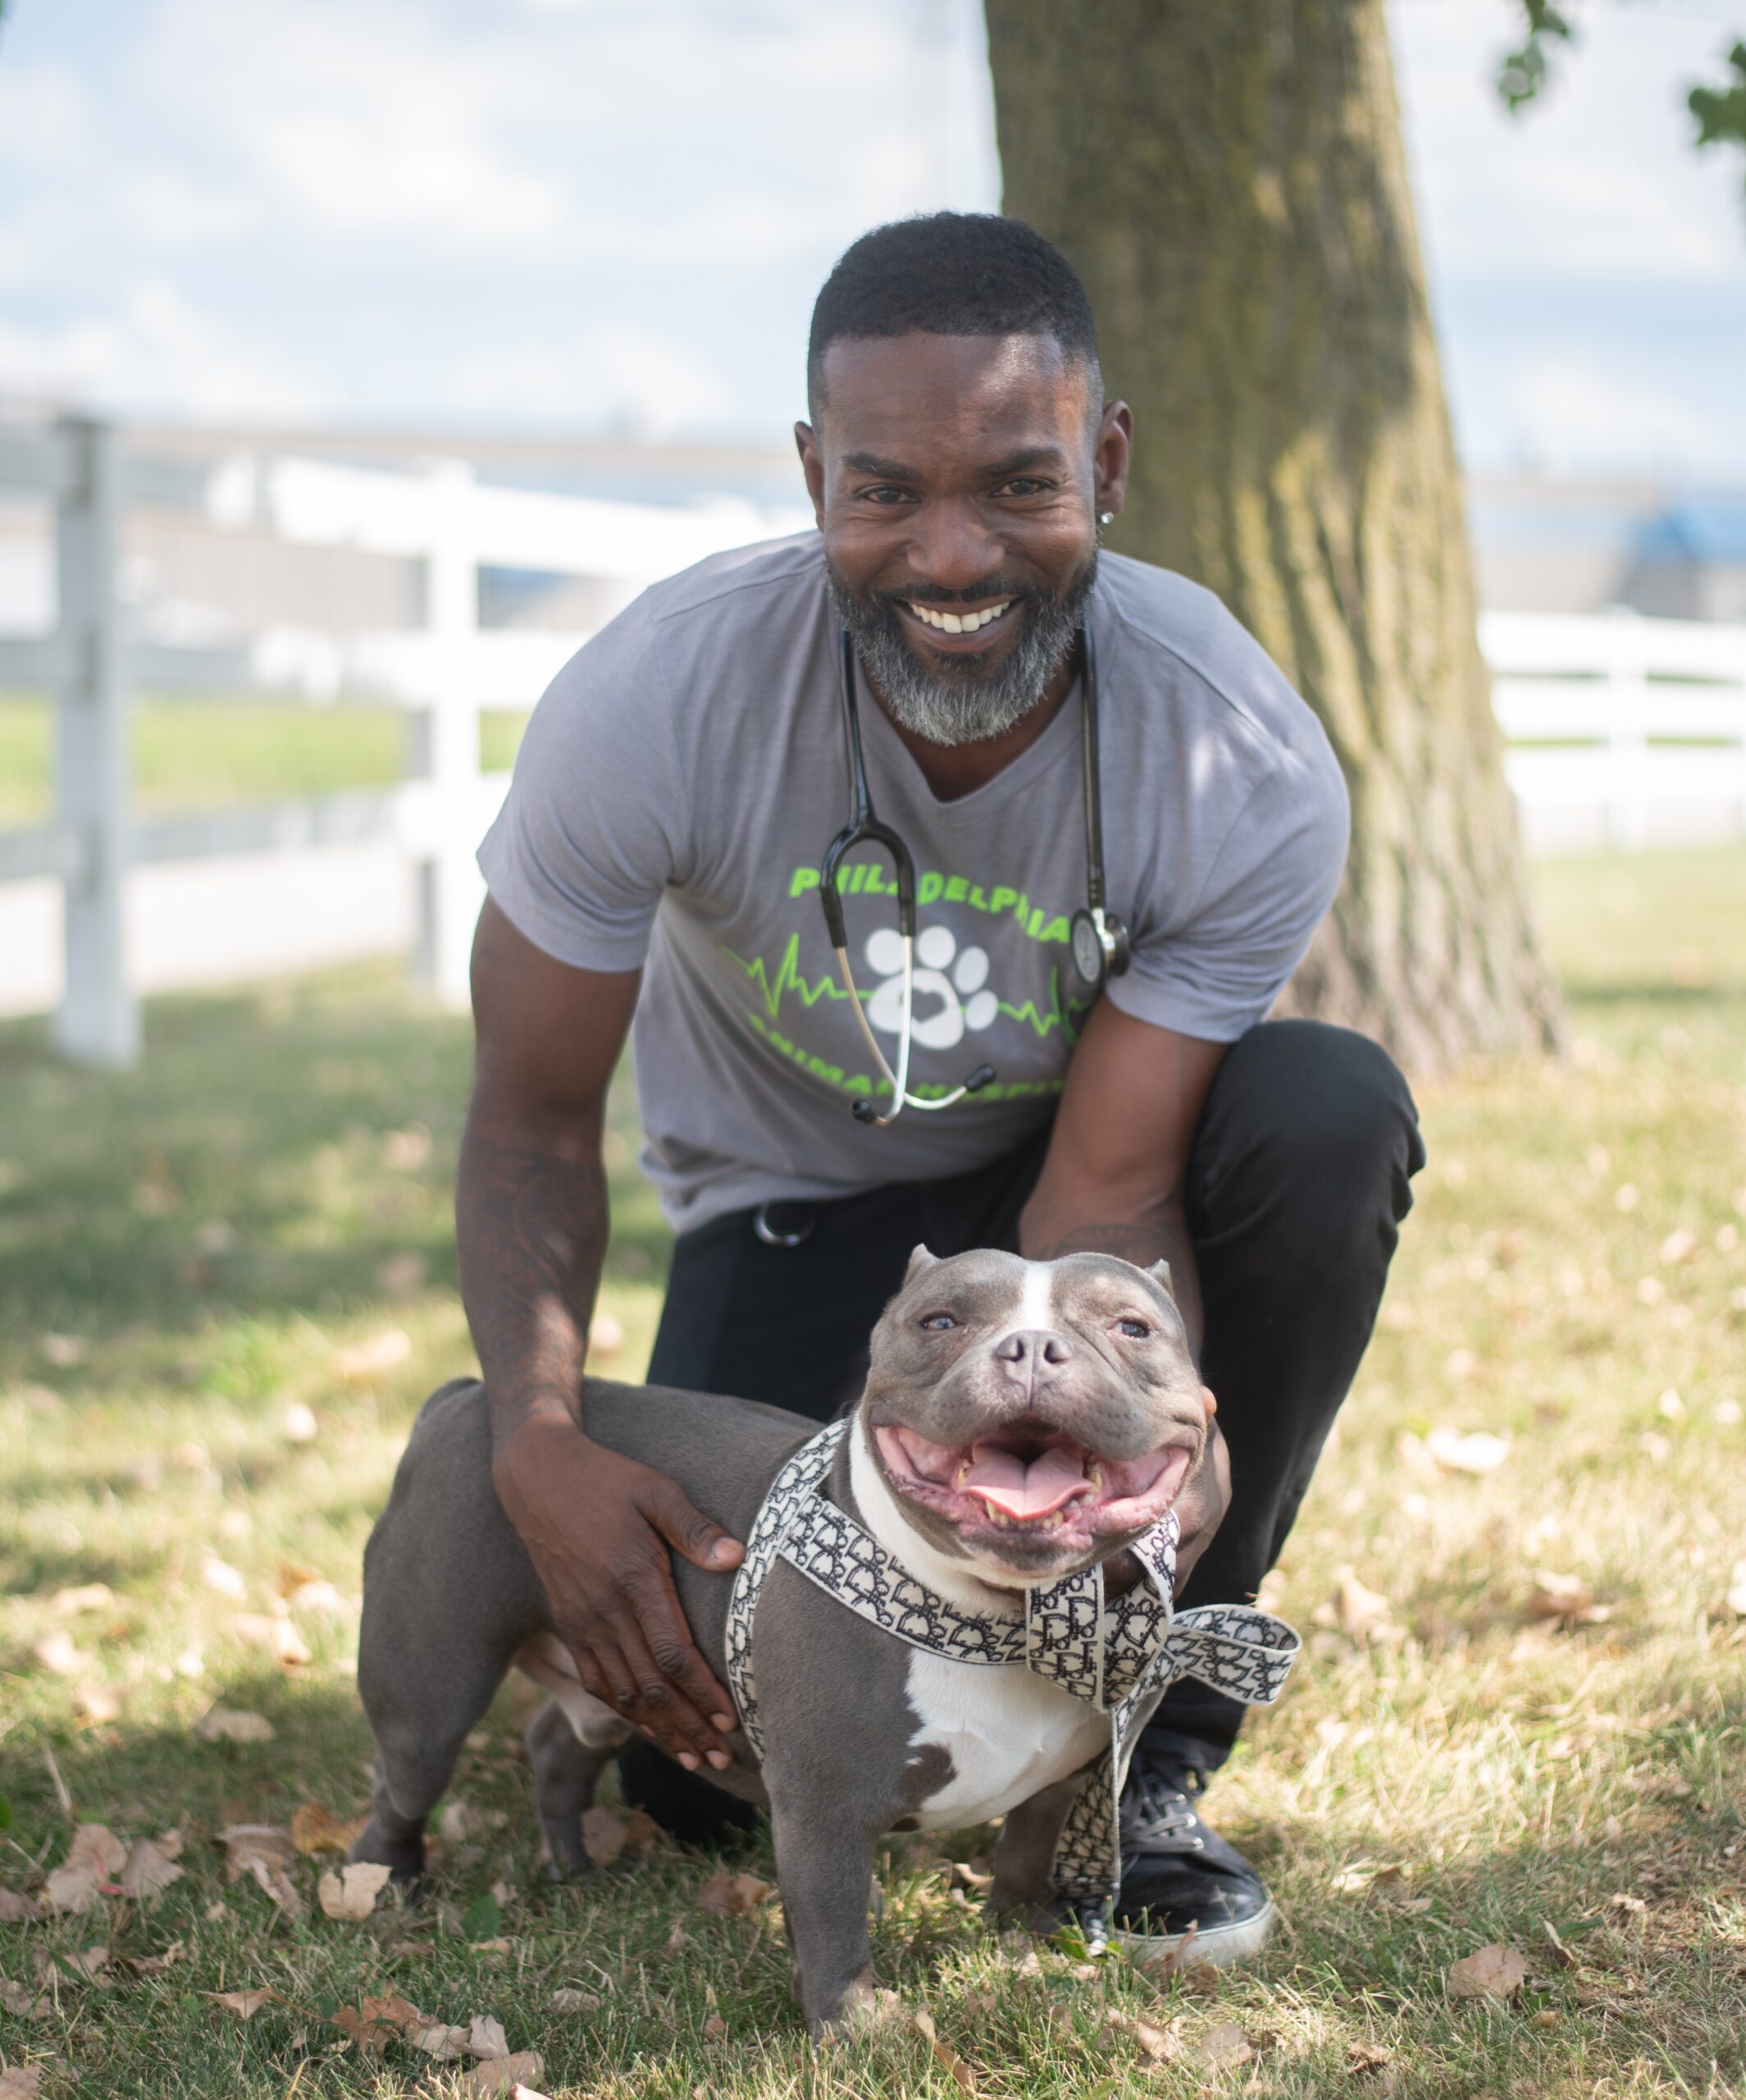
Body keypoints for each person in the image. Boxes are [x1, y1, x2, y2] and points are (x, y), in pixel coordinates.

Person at [461, 212, 1423, 1965]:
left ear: (1110, 463)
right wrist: (533, 1441)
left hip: (1060, 1201)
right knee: (706, 1766)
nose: (953, 552)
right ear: (814, 471)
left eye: (1019, 484)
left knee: (1324, 1109)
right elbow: (529, 1120)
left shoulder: (1239, 751)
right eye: (887, 491)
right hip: (795, 1205)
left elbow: (1112, 1192)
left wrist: (1145, 1437)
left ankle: (1136, 1763)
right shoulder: (657, 701)